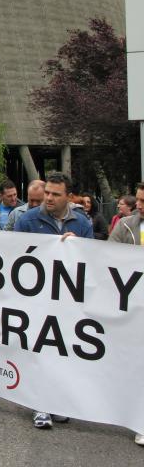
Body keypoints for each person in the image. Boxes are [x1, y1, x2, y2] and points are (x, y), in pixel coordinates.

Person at [14, 172, 92, 429]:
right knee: (39, 351)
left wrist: (78, 246)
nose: (48, 198)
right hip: (37, 297)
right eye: (47, 192)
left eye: (55, 194)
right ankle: (40, 404)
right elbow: (14, 255)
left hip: (67, 300)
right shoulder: (28, 220)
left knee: (62, 352)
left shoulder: (81, 223)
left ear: (69, 197)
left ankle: (58, 401)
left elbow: (92, 259)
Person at [106, 182, 144, 448]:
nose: (139, 206)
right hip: (133, 305)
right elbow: (108, 257)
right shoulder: (126, 225)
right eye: (139, 200)